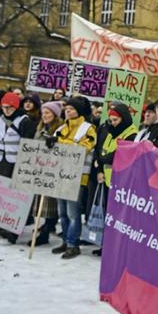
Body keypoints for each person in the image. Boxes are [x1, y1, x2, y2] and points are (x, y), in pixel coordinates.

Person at [50, 97, 96, 259]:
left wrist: (59, 141)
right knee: (62, 212)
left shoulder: (88, 129)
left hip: (76, 177)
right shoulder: (62, 127)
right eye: (66, 108)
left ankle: (72, 243)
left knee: (73, 213)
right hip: (59, 174)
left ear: (79, 111)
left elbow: (83, 148)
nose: (67, 111)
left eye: (71, 108)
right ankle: (65, 240)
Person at [0, 92, 36, 233]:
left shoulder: (25, 122)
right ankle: (1, 226)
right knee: (1, 196)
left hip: (17, 165)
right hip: (0, 162)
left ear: (16, 107)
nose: (6, 110)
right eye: (4, 107)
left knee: (16, 198)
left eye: (10, 108)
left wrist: (25, 166)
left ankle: (13, 229)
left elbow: (29, 145)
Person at [93, 102, 138, 254]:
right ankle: (106, 245)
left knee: (119, 218)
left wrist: (103, 159)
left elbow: (117, 155)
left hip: (122, 183)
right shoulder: (111, 131)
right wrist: (101, 162)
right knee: (109, 215)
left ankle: (116, 249)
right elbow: (101, 150)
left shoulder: (131, 134)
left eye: (115, 120)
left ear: (124, 119)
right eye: (111, 120)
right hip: (108, 180)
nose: (112, 123)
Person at [33, 101, 64, 245]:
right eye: (43, 113)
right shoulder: (40, 128)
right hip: (41, 168)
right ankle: (44, 227)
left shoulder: (60, 129)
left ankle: (46, 231)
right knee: (40, 201)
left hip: (53, 169)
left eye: (48, 113)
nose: (44, 116)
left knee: (50, 202)